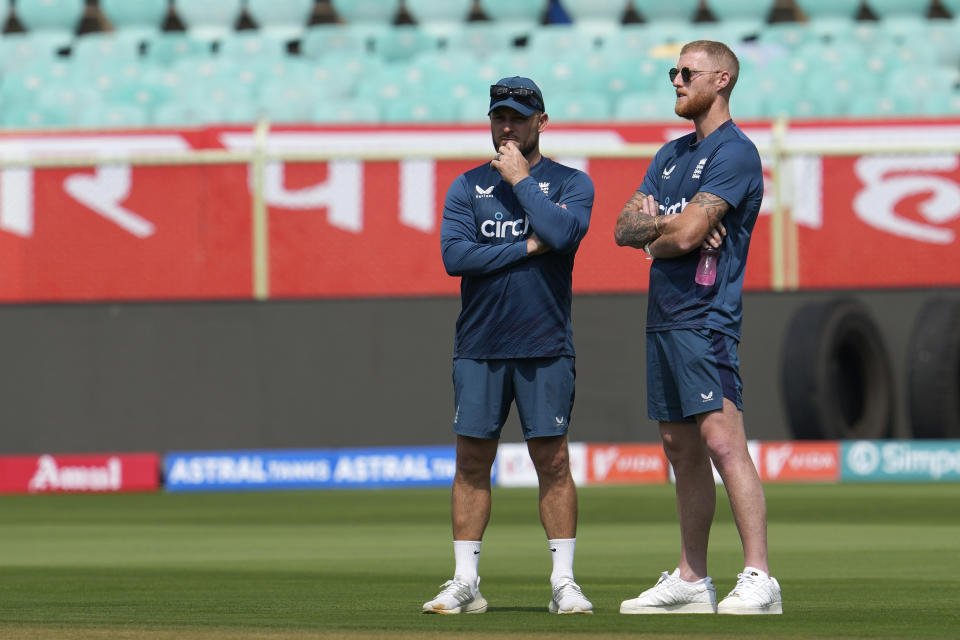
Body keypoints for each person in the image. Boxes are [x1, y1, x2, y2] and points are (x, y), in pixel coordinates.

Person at [613, 41, 782, 615]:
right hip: (664, 317)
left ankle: (759, 576)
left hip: (707, 318)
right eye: (673, 72)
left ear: (724, 79)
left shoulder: (736, 153)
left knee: (721, 441)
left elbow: (683, 240)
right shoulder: (667, 155)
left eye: (687, 72)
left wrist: (662, 236)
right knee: (678, 447)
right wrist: (668, 227)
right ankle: (692, 580)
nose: (677, 81)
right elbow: (622, 226)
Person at [422, 76, 594, 615]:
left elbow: (564, 236)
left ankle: (564, 582)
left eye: (519, 117)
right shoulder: (465, 186)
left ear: (541, 121)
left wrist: (522, 182)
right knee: (472, 460)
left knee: (553, 461)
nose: (507, 126)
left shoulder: (570, 183)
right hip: (479, 344)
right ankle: (464, 581)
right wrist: (526, 245)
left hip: (544, 344)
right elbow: (456, 258)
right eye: (500, 116)